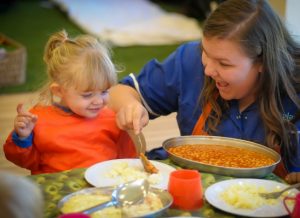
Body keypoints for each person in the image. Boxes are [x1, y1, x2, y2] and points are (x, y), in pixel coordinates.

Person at [108, 0, 300, 183]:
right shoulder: (190, 61)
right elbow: (121, 91)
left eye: (224, 64)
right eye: (206, 53)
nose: (208, 70)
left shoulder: (295, 90)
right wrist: (130, 105)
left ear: (263, 63)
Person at [3, 30, 136, 174]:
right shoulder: (36, 120)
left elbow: (127, 161)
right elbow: (26, 162)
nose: (98, 101)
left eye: (104, 91)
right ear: (59, 91)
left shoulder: (112, 118)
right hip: (56, 192)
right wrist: (22, 137)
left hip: (103, 190)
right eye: (88, 95)